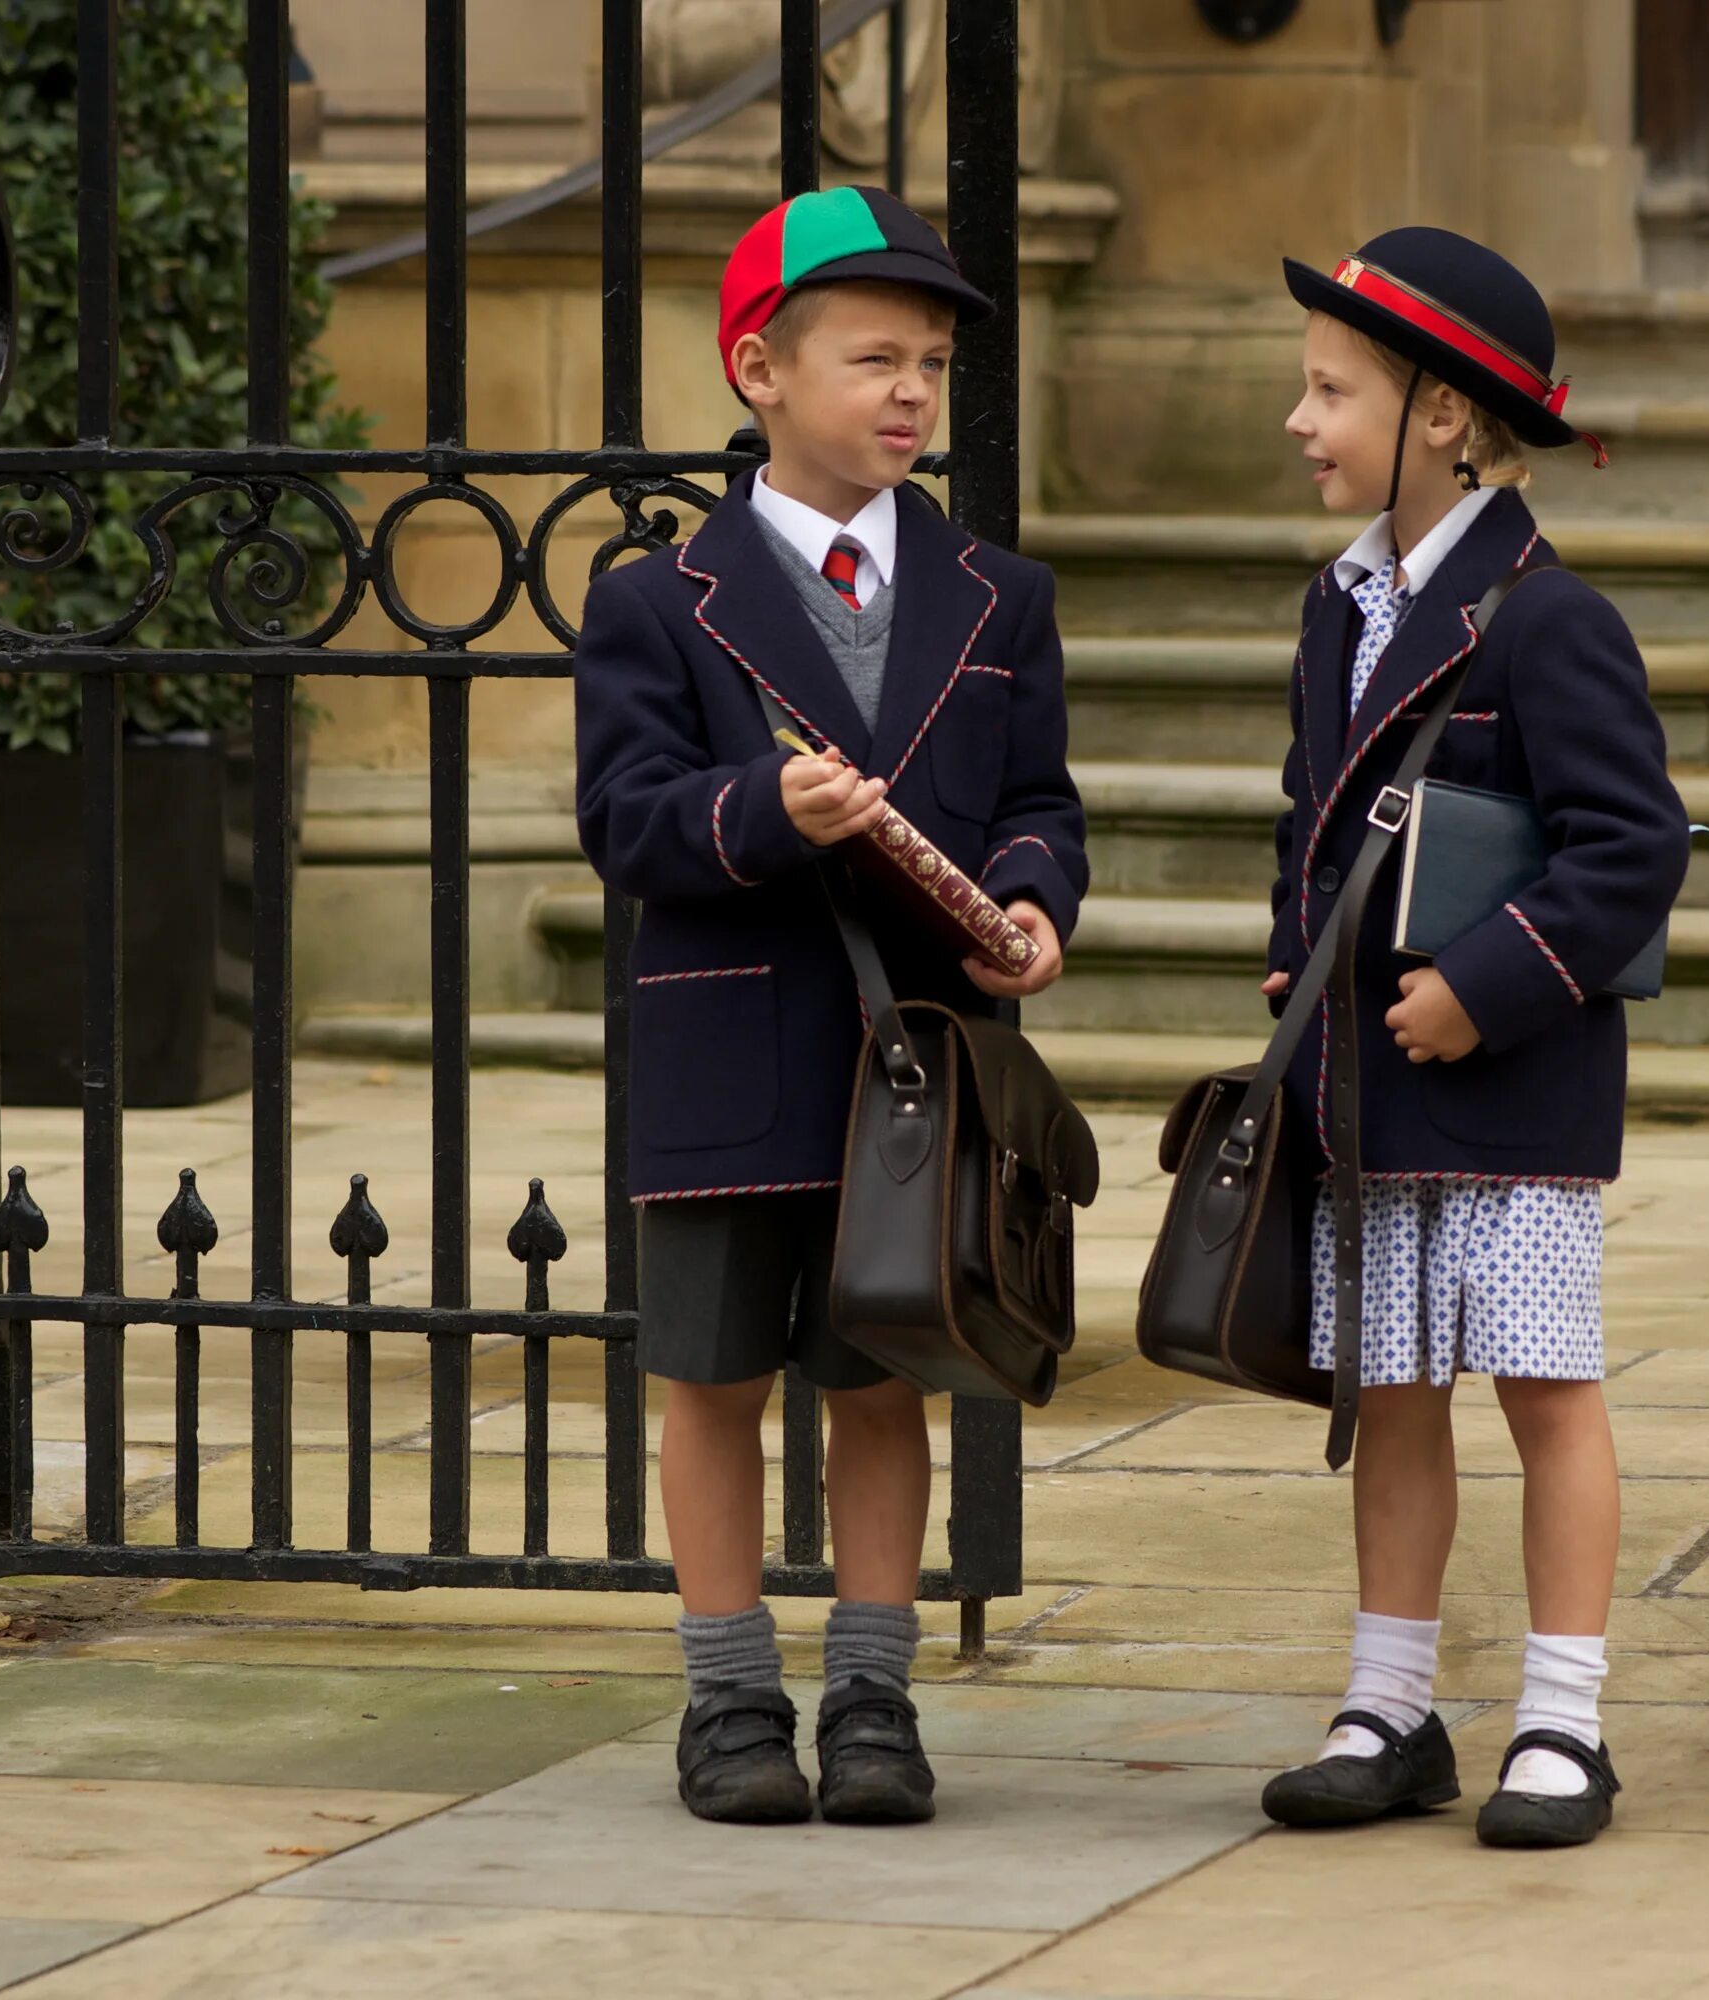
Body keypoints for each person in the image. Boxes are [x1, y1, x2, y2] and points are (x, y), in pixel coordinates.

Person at [572, 185, 1086, 1827]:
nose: (913, 392)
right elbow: (623, 817)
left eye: (932, 363)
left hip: (919, 1064)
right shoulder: (660, 599)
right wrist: (756, 815)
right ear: (757, 373)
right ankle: (729, 1701)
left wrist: (1032, 905)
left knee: (883, 1379)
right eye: (876, 357)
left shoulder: (1002, 597)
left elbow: (1043, 806)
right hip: (730, 1046)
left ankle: (874, 1695)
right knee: (713, 1380)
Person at [1251, 228, 1688, 1849]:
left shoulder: (1551, 619)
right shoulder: (1342, 604)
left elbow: (1629, 851)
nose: (1301, 419)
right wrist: (1297, 1015)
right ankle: (1391, 1704)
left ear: (1443, 414)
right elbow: (1313, 827)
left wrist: (1482, 985)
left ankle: (1565, 1724)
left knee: (1545, 1392)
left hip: (1512, 1094)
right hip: (1366, 1092)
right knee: (1394, 1390)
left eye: (1329, 388)